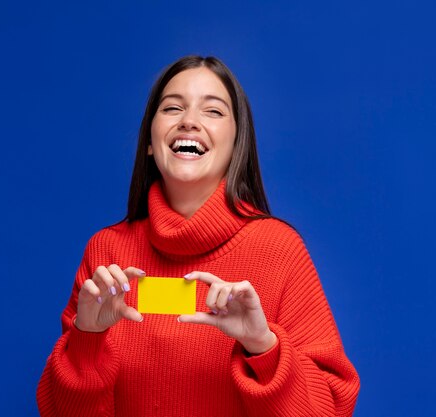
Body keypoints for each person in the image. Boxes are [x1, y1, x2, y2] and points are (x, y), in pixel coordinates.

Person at [37, 55, 360, 416]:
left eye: (213, 111)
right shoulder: (106, 251)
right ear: (149, 140)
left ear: (237, 145)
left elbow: (329, 409)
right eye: (173, 108)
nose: (189, 122)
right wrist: (86, 340)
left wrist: (262, 347)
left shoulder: (279, 249)